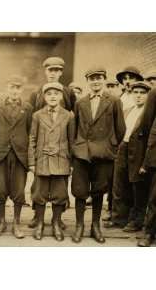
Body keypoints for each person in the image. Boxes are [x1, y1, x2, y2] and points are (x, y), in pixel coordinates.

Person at [71, 67, 126, 244]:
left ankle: (95, 225)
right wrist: (76, 148)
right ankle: (79, 225)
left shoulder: (114, 101)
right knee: (79, 190)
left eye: (99, 78)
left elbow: (120, 129)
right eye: (92, 78)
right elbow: (75, 127)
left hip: (103, 154)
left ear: (104, 80)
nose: (96, 81)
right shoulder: (80, 102)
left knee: (98, 190)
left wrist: (111, 148)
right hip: (82, 153)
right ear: (87, 81)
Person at [28, 57, 76, 229]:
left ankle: (58, 218)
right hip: (43, 147)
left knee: (59, 187)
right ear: (45, 71)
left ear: (61, 72)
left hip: (60, 148)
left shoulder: (68, 92)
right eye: (50, 70)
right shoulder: (36, 93)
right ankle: (37, 216)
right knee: (39, 186)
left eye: (57, 70)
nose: (53, 73)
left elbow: (72, 117)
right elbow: (34, 122)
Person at [0, 75, 32, 238]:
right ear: (7, 88)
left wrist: (28, 155)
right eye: (12, 87)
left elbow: (30, 132)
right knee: (0, 189)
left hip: (20, 155)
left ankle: (16, 223)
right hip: (1, 154)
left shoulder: (27, 108)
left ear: (22, 90)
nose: (15, 91)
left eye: (18, 88)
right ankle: (1, 222)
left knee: (18, 190)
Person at [104, 82, 150, 231]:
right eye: (135, 92)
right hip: (123, 147)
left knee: (137, 186)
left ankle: (136, 220)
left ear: (148, 95)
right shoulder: (128, 110)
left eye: (142, 93)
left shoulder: (149, 113)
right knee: (119, 184)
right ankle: (119, 219)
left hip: (139, 150)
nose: (138, 95)